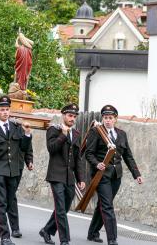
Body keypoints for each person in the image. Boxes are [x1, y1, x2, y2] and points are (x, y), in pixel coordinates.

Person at [85, 105, 143, 245]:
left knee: (103, 204)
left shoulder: (121, 134)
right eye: (105, 117)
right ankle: (112, 239)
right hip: (101, 175)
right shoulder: (96, 132)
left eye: (110, 118)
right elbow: (89, 153)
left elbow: (128, 156)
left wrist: (137, 174)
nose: (108, 120)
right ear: (102, 118)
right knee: (107, 206)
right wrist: (96, 163)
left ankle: (92, 233)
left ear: (115, 119)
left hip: (116, 176)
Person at [0, 95, 32, 245]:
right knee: (1, 204)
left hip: (13, 172)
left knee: (7, 204)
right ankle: (5, 237)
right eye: (2, 110)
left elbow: (23, 148)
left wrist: (27, 134)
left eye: (7, 110)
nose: (5, 112)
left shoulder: (16, 128)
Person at [39, 103, 85, 245]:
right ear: (63, 115)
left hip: (69, 177)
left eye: (74, 116)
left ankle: (47, 230)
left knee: (64, 208)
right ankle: (64, 240)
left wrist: (80, 178)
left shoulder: (76, 134)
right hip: (56, 175)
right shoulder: (53, 130)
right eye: (70, 115)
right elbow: (52, 149)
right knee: (60, 208)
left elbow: (78, 158)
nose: (72, 118)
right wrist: (63, 135)